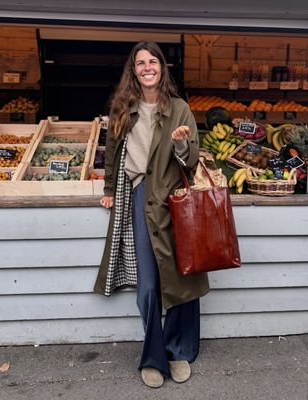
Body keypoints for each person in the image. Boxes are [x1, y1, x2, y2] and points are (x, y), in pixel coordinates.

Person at [94, 41, 209, 388]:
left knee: (180, 279)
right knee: (148, 287)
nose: (147, 67)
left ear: (162, 68)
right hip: (139, 197)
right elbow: (112, 153)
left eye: (153, 61)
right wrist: (111, 190)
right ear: (134, 69)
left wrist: (179, 143)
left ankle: (178, 352)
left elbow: (190, 161)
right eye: (140, 62)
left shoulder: (179, 108)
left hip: (173, 200)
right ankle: (154, 356)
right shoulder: (121, 108)